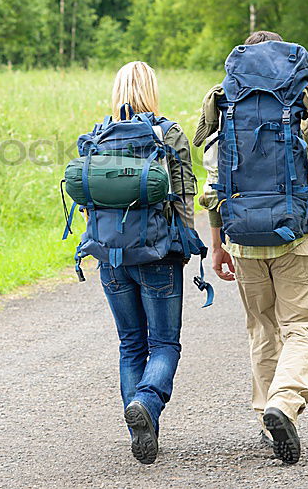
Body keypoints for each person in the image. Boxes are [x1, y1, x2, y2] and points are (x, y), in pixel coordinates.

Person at [194, 30, 308, 464]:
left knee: (262, 327)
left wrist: (218, 241)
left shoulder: (223, 100)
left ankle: (267, 417)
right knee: (300, 325)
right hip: (294, 234)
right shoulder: (306, 97)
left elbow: (213, 180)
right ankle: (284, 402)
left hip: (241, 237)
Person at [99, 61, 197, 465]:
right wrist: (188, 245)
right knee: (164, 343)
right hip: (159, 254)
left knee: (131, 344)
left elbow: (91, 207)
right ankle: (146, 404)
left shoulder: (98, 136)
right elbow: (185, 197)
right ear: (152, 90)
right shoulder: (168, 134)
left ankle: (140, 424)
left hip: (112, 258)